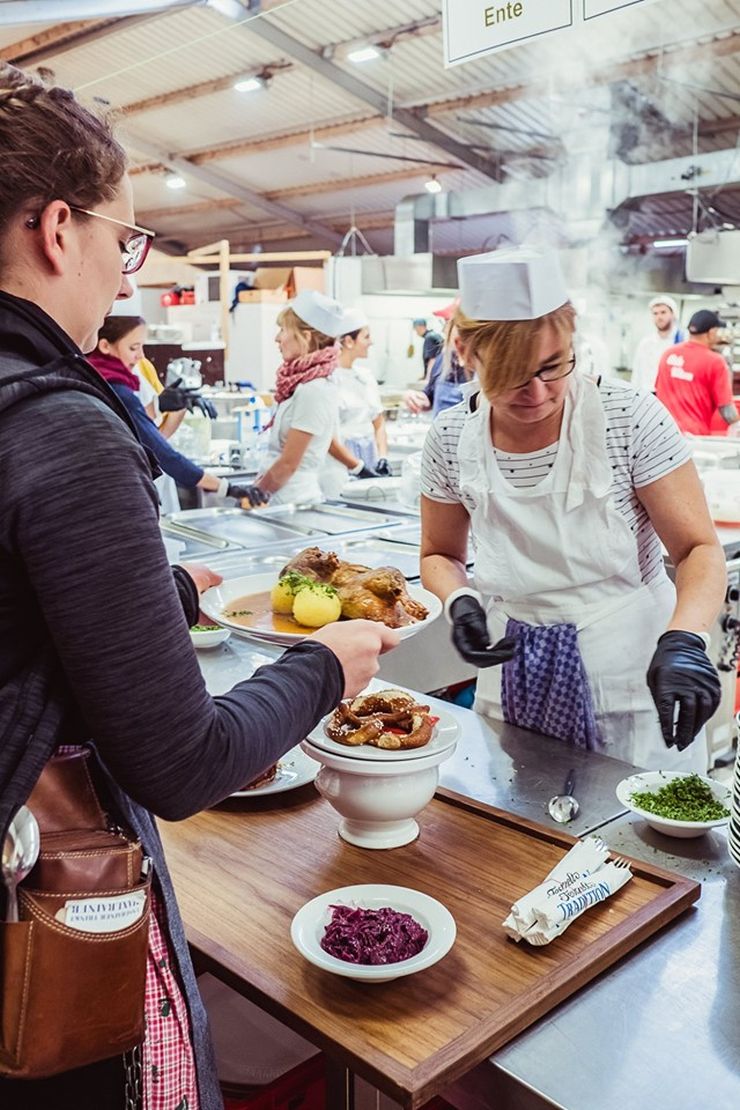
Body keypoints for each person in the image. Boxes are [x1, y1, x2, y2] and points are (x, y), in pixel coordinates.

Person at [0, 63, 398, 1108]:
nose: (124, 275)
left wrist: (157, 591)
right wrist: (324, 668)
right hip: (32, 922)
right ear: (54, 230)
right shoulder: (63, 424)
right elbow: (181, 764)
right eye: (120, 238)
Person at [420, 246, 724, 770]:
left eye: (554, 366)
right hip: (512, 673)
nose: (538, 392)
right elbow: (438, 553)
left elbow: (698, 548)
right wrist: (459, 601)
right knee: (519, 838)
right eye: (512, 374)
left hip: (632, 675)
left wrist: (686, 637)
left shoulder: (627, 417)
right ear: (468, 353)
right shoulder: (451, 437)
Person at [88, 315, 266, 506]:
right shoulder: (116, 388)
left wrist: (159, 405)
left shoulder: (98, 377)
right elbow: (162, 452)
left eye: (141, 347)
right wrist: (227, 488)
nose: (140, 356)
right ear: (105, 346)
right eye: (133, 348)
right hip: (119, 493)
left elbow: (130, 424)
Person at [250, 290, 344, 505]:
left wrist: (252, 496)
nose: (277, 338)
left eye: (282, 330)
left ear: (306, 337)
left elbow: (288, 464)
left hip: (292, 499)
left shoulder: (314, 390)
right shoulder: (303, 384)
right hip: (280, 497)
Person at [321, 308, 391, 496]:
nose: (371, 342)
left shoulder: (366, 377)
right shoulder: (327, 380)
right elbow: (326, 436)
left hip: (369, 459)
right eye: (366, 337)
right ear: (349, 341)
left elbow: (378, 422)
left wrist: (383, 457)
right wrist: (357, 466)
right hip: (339, 465)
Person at [655, 309, 740, 436]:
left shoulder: (668, 354)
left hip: (662, 434)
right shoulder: (715, 361)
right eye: (717, 331)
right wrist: (737, 425)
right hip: (694, 438)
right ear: (711, 332)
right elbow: (726, 410)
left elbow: (658, 393)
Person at [405, 317, 473, 416]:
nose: (444, 330)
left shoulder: (480, 367)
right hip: (441, 429)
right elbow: (429, 396)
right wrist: (415, 397)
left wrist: (426, 377)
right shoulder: (442, 358)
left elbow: (431, 359)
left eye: (448, 323)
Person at [632, 295, 685, 392]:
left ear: (673, 314)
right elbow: (636, 374)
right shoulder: (646, 343)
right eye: (655, 313)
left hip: (671, 396)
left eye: (663, 312)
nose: (659, 317)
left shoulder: (682, 341)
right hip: (647, 395)